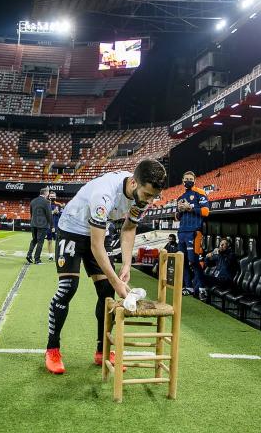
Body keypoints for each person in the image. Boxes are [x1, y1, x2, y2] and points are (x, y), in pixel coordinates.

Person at [45, 160, 166, 374]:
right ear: (133, 183)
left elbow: (129, 229)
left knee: (106, 292)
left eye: (153, 196)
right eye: (147, 195)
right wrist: (116, 280)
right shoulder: (104, 195)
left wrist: (126, 265)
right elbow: (96, 245)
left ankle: (103, 350)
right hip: (72, 229)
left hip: (100, 231)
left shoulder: (142, 195)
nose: (149, 200)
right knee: (68, 288)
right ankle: (52, 349)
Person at [175, 171, 210, 298]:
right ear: (183, 181)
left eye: (191, 178)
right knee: (182, 262)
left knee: (194, 261)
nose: (188, 180)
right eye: (186, 179)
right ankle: (188, 287)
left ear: (195, 180)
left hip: (194, 232)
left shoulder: (200, 193)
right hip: (182, 232)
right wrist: (179, 210)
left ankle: (201, 288)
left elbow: (206, 212)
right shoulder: (180, 197)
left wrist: (190, 208)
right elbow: (177, 217)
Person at [26, 187, 52, 264]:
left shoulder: (33, 201)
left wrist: (33, 221)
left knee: (34, 240)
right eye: (48, 192)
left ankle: (29, 255)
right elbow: (49, 214)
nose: (48, 194)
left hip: (33, 223)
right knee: (40, 242)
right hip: (43, 225)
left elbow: (31, 213)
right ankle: (37, 259)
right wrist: (52, 225)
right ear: (46, 193)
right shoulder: (46, 202)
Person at [45, 191, 63, 261]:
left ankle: (58, 255)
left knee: (58, 241)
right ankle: (50, 256)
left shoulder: (59, 205)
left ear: (55, 197)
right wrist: (52, 212)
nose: (52, 197)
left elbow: (62, 215)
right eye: (51, 196)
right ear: (48, 197)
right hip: (49, 226)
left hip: (57, 225)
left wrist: (58, 213)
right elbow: (45, 215)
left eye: (53, 196)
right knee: (49, 241)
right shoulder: (46, 204)